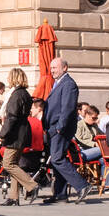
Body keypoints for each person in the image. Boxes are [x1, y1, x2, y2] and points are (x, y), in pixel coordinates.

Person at [41, 57, 89, 204]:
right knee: (56, 160)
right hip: (53, 128)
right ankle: (61, 194)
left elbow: (67, 108)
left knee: (57, 159)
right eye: (51, 68)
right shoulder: (58, 83)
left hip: (60, 128)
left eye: (55, 67)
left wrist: (59, 128)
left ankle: (82, 185)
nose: (52, 70)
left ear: (65, 68)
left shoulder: (69, 84)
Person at [0, 67, 39, 208]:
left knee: (8, 164)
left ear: (14, 78)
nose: (8, 80)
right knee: (14, 164)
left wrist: (2, 133)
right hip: (22, 132)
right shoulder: (25, 93)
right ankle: (14, 197)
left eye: (9, 77)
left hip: (15, 134)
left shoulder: (16, 95)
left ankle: (32, 185)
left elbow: (12, 117)